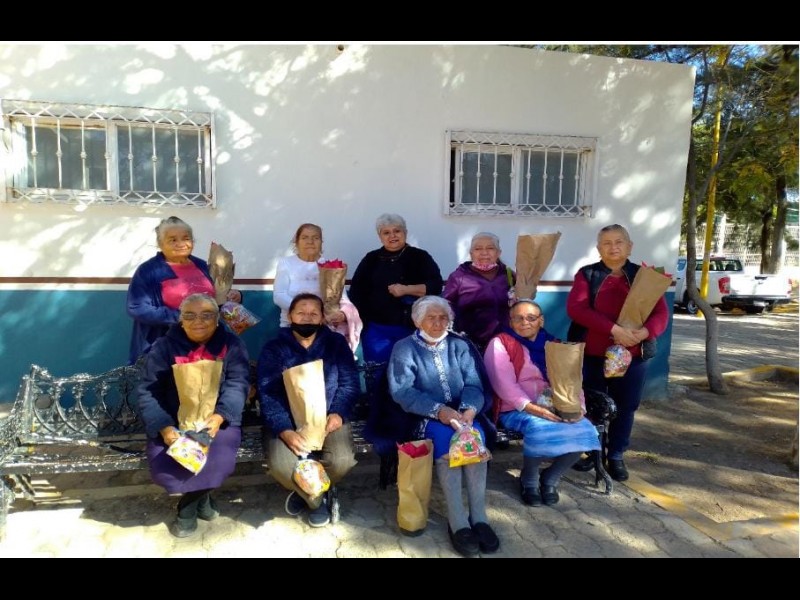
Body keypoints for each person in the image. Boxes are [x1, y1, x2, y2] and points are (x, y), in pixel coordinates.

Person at [388, 296, 499, 557]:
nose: (438, 323)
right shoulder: (405, 348)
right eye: (431, 318)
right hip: (424, 415)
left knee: (475, 440)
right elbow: (402, 391)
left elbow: (474, 383)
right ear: (418, 321)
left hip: (463, 413)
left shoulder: (459, 345)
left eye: (443, 318)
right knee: (449, 442)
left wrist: (469, 409)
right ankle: (457, 520)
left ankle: (479, 517)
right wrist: (439, 411)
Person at [136, 293, 249, 538]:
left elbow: (237, 384)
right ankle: (203, 500)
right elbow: (148, 391)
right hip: (173, 420)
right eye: (190, 315)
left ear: (217, 319)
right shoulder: (163, 347)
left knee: (217, 459)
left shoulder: (231, 344)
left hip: (218, 420)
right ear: (181, 320)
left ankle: (186, 508)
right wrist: (165, 428)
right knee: (166, 464)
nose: (198, 321)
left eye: (206, 315)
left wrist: (219, 417)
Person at [566, 224, 669, 482]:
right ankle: (593, 451)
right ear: (598, 248)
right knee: (593, 405)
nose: (613, 247)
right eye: (607, 243)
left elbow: (660, 313)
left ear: (629, 246)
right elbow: (577, 309)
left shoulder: (644, 277)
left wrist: (645, 333)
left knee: (626, 406)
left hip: (633, 354)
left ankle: (616, 455)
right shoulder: (587, 274)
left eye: (619, 242)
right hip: (593, 355)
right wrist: (614, 330)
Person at [257, 293, 360, 528]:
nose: (307, 318)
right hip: (287, 421)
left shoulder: (335, 343)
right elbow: (268, 393)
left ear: (322, 318)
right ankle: (316, 501)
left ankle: (304, 492)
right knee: (283, 468)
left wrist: (338, 413)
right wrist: (284, 430)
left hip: (328, 418)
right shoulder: (275, 348)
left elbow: (349, 384)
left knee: (342, 461)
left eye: (314, 313)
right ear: (290, 316)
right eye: (301, 312)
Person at [483, 299, 600, 507]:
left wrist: (578, 407)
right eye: (518, 318)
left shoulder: (555, 345)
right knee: (540, 428)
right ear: (510, 321)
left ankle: (551, 477)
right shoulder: (500, 344)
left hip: (556, 404)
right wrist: (535, 410)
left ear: (541, 321)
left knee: (585, 430)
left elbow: (571, 380)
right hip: (516, 408)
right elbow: (504, 386)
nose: (524, 322)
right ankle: (529, 480)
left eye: (531, 318)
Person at [126, 216, 241, 365]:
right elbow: (136, 307)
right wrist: (182, 316)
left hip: (206, 345)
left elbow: (214, 300)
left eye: (186, 238)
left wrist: (233, 296)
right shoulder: (148, 271)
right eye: (173, 240)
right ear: (160, 244)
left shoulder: (201, 265)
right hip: (166, 349)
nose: (180, 244)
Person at [349, 214, 443, 364]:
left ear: (405, 232)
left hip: (413, 327)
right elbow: (357, 291)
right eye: (386, 232)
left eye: (397, 231)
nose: (392, 236)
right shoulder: (371, 259)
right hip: (377, 328)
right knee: (377, 370)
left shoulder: (420, 257)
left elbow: (435, 286)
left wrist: (407, 289)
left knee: (410, 368)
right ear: (380, 237)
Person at [273, 223, 363, 355]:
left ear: (321, 242)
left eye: (315, 238)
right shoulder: (286, 263)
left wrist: (342, 314)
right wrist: (308, 313)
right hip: (292, 328)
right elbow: (279, 296)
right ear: (296, 242)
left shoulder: (330, 266)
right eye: (305, 237)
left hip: (324, 328)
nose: (310, 242)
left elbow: (341, 297)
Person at [443, 232, 514, 351]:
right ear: (471, 253)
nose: (484, 252)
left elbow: (523, 301)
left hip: (504, 342)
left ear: (498, 253)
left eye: (490, 248)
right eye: (478, 249)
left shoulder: (508, 275)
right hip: (470, 343)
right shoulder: (459, 277)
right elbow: (445, 305)